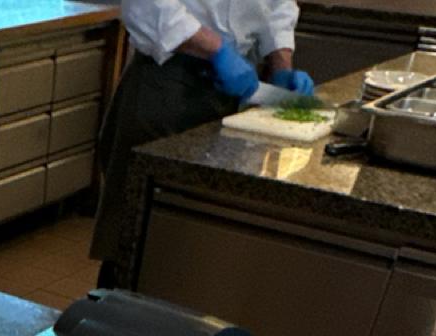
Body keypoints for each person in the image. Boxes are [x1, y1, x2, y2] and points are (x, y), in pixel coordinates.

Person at [91, 0, 314, 279]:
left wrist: (281, 65)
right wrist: (215, 49)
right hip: (167, 79)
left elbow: (278, 5)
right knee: (136, 239)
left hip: (229, 90)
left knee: (194, 236)